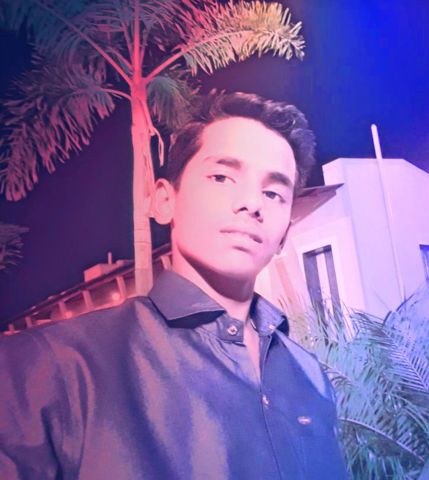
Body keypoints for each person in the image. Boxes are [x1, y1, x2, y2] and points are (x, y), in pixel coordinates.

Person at [0, 91, 349, 479]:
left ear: (284, 232)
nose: (252, 203)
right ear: (164, 201)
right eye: (222, 177)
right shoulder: (50, 367)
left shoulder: (309, 375)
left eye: (273, 193)